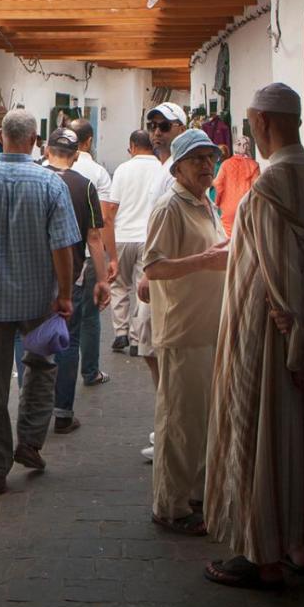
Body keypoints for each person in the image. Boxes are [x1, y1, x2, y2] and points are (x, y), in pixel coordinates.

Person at [204, 82, 304, 590]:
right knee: (299, 438)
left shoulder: (268, 188)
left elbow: (281, 275)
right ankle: (299, 547)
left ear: (263, 122)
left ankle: (261, 554)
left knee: (257, 435)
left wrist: (294, 343)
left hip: (267, 338)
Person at [0, 109, 80, 495]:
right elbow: (63, 246)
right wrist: (66, 294)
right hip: (37, 299)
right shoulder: (49, 184)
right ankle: (30, 442)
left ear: (2, 137)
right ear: (35, 140)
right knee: (40, 367)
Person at [142, 129, 228, 536]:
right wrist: (206, 261)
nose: (206, 166)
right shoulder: (170, 208)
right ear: (177, 166)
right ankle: (170, 507)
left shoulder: (204, 204)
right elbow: (154, 268)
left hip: (207, 327)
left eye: (210, 159)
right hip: (182, 327)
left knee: (200, 421)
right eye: (197, 160)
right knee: (178, 422)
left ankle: (193, 496)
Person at [40, 128, 112, 433]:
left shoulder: (34, 178)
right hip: (74, 272)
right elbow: (94, 237)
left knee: (36, 341)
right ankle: (63, 412)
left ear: (46, 150)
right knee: (67, 340)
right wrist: (102, 278)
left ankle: (34, 408)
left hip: (36, 272)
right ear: (77, 154)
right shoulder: (84, 186)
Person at [134, 101, 187, 461]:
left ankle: (170, 430)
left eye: (164, 126)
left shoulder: (174, 170)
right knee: (151, 350)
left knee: (159, 351)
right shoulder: (163, 167)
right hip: (153, 270)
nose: (156, 132)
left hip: (160, 274)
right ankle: (166, 424)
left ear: (180, 129)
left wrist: (150, 275)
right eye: (152, 125)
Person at [68, 118, 117, 384]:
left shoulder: (51, 169)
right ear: (88, 141)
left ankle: (57, 375)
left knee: (62, 317)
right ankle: (90, 371)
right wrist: (110, 258)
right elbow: (104, 220)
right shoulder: (98, 172)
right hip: (87, 256)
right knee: (89, 316)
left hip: (59, 255)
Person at [107, 130, 161, 354]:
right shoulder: (161, 169)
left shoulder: (123, 169)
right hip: (148, 237)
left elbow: (111, 208)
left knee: (118, 285)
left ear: (132, 146)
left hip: (122, 235)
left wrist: (108, 246)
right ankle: (138, 338)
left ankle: (120, 332)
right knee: (143, 288)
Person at [213, 135, 261, 237]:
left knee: (230, 241)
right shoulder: (254, 165)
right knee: (246, 240)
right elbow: (257, 190)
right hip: (246, 209)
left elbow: (218, 185)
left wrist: (217, 203)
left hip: (228, 209)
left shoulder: (225, 164)